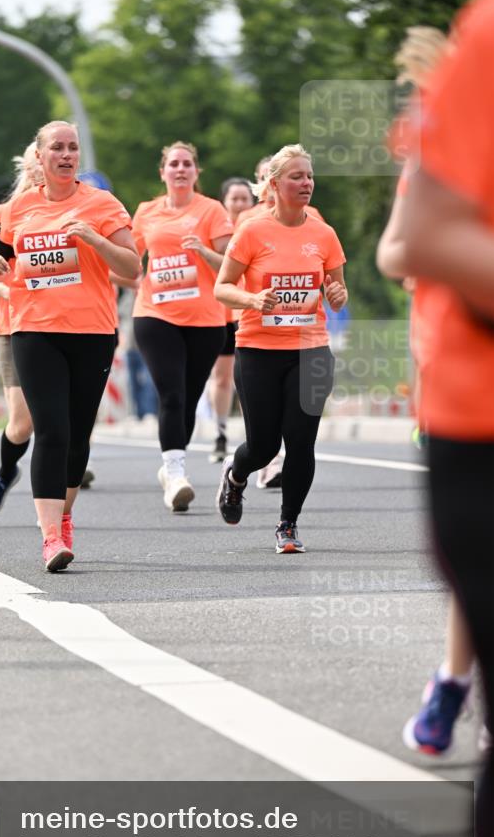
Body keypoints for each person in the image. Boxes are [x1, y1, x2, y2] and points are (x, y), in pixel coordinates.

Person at [378, 0, 494, 837]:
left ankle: (454, 685)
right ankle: (453, 686)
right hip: (471, 400)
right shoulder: (486, 47)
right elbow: (402, 243)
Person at [0, 120, 139, 571]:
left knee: (76, 436)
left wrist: (92, 238)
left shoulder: (102, 204)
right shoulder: (17, 209)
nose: (67, 154)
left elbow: (133, 268)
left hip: (91, 332)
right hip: (34, 330)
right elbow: (3, 257)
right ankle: (51, 536)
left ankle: (64, 518)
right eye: (57, 147)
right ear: (40, 155)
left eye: (73, 147)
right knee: (50, 429)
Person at [214, 143, 347, 553]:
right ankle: (236, 477)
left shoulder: (323, 234)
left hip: (310, 350)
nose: (306, 183)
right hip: (257, 349)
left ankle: (287, 525)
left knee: (302, 440)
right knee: (264, 445)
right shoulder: (252, 231)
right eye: (296, 176)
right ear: (273, 185)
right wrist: (253, 301)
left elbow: (336, 291)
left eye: (309, 176)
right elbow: (222, 287)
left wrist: (338, 295)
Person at [131, 141, 233, 511]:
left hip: (205, 319)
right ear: (163, 172)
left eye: (187, 164)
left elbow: (232, 266)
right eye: (173, 164)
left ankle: (171, 464)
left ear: (196, 172)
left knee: (188, 400)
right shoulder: (146, 212)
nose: (180, 169)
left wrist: (203, 251)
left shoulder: (211, 210)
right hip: (154, 315)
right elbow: (129, 260)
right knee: (171, 394)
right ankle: (175, 474)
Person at [0, 144, 39, 516]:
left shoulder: (75, 210)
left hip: (64, 326)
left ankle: (50, 506)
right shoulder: (4, 214)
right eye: (34, 161)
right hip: (15, 325)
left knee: (56, 420)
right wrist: (10, 292)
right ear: (27, 166)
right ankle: (4, 472)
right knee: (22, 421)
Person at [206, 177, 255, 464]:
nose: (238, 204)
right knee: (222, 377)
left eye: (244, 199)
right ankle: (220, 432)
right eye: (233, 199)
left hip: (249, 311)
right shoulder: (215, 228)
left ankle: (255, 434)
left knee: (249, 377)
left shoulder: (259, 227)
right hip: (221, 311)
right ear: (224, 203)